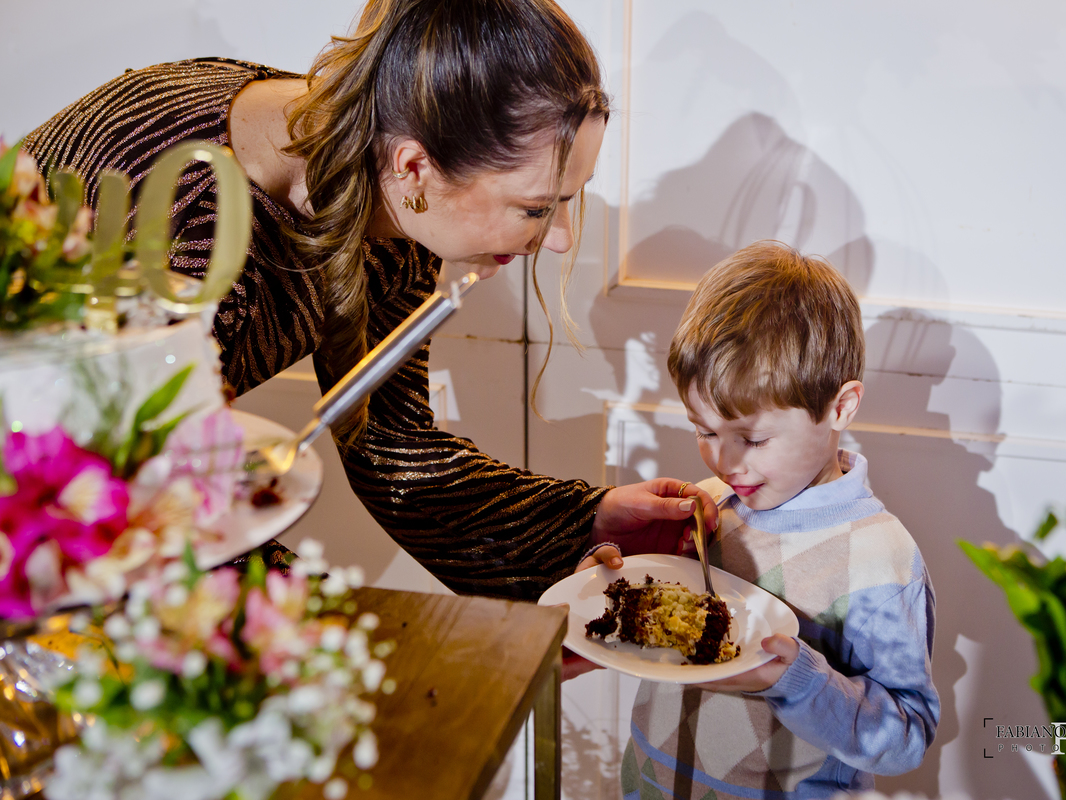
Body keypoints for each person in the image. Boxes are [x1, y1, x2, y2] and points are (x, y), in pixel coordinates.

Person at [21, 0, 715, 597]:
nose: (559, 239)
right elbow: (139, 510)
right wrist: (336, 640)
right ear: (416, 166)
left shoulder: (391, 196)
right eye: (536, 207)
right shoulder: (193, 236)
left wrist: (583, 521)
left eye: (569, 200)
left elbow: (388, 439)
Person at [621, 241, 939, 799]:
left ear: (840, 407)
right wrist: (620, 573)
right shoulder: (709, 506)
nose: (726, 462)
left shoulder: (880, 561)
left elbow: (906, 736)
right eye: (704, 431)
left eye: (753, 438)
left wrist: (798, 681)